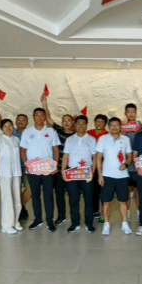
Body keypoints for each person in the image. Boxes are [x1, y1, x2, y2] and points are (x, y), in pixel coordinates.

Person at [20, 108, 61, 232]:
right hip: (33, 170)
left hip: (48, 170)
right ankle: (37, 219)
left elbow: (56, 149)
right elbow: (22, 150)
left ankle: (49, 221)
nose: (39, 118)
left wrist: (55, 165)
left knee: (48, 195)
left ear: (44, 117)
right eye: (37, 115)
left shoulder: (51, 131)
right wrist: (27, 164)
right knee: (35, 195)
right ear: (33, 117)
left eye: (42, 115)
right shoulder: (27, 132)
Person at [0, 99, 31, 222]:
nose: (20, 122)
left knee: (31, 188)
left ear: (27, 122)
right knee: (16, 190)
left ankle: (21, 206)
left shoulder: (30, 133)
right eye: (18, 120)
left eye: (23, 120)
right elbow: (0, 122)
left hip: (27, 166)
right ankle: (18, 211)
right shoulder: (11, 131)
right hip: (14, 167)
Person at [95, 117, 134, 236]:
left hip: (122, 176)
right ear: (108, 126)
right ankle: (106, 224)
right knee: (106, 201)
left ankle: (124, 223)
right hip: (107, 175)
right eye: (112, 125)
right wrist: (100, 175)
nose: (114, 127)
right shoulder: (102, 139)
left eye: (117, 125)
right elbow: (98, 158)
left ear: (120, 126)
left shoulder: (126, 139)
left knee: (123, 200)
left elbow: (130, 156)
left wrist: (126, 164)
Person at [42, 95, 75, 226]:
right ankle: (61, 216)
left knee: (73, 195)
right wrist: (44, 104)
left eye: (69, 120)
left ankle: (74, 217)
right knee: (59, 194)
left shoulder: (76, 135)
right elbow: (48, 119)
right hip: (59, 169)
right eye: (64, 120)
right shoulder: (58, 131)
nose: (66, 122)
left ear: (73, 122)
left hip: (72, 170)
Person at [62, 116, 97, 233]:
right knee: (73, 199)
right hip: (72, 173)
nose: (81, 125)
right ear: (75, 125)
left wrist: (93, 172)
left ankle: (89, 223)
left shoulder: (92, 139)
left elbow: (95, 157)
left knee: (88, 199)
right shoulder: (69, 139)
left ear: (86, 125)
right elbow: (65, 156)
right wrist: (63, 171)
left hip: (87, 173)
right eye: (78, 123)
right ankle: (75, 223)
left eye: (83, 123)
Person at [0, 119, 24, 235]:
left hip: (16, 172)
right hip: (5, 174)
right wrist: (0, 171)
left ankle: (15, 222)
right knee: (7, 199)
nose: (8, 128)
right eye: (5, 126)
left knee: (17, 198)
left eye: (10, 126)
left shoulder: (16, 140)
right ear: (2, 128)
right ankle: (6, 225)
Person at [121, 103, 142, 224]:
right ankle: (127, 212)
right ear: (125, 113)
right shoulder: (121, 127)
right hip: (125, 165)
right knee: (125, 191)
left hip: (138, 166)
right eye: (128, 112)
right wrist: (121, 133)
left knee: (137, 191)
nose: (131, 114)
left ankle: (139, 212)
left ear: (136, 113)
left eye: (133, 112)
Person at [88, 114, 109, 221]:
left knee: (103, 191)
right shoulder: (89, 133)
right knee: (93, 190)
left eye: (102, 122)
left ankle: (103, 215)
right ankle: (95, 211)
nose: (99, 123)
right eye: (98, 121)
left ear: (105, 124)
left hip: (103, 167)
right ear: (95, 122)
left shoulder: (107, 135)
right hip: (91, 167)